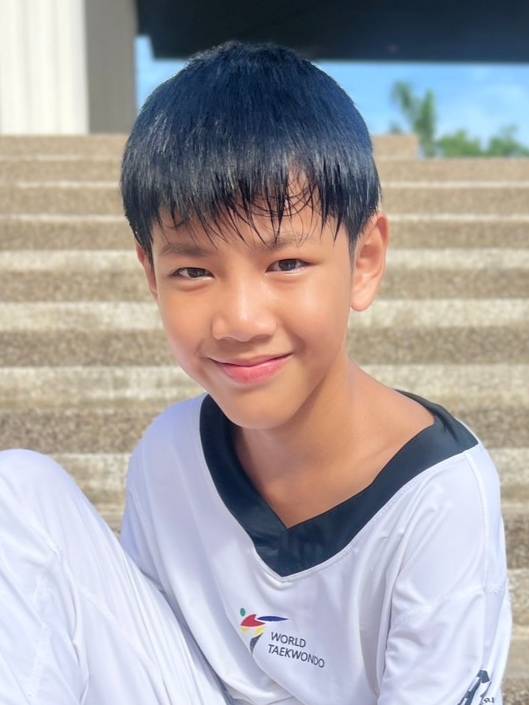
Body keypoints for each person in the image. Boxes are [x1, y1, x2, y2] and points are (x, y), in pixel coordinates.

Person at [0, 39, 512, 705]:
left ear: (363, 262)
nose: (239, 320)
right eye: (193, 270)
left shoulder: (440, 496)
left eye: (286, 264)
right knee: (17, 489)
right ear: (151, 275)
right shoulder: (170, 453)